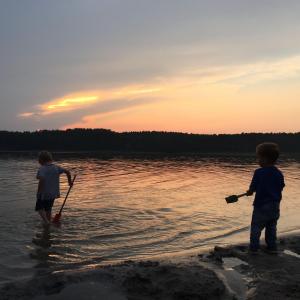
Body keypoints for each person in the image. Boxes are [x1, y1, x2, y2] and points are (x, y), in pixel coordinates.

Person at [246, 142, 285, 254]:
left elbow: (252, 188)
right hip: (275, 205)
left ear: (265, 159)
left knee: (256, 227)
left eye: (259, 158)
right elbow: (281, 186)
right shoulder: (279, 173)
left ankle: (254, 249)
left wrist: (250, 191)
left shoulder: (259, 172)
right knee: (271, 227)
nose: (258, 160)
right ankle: (272, 247)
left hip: (261, 205)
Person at [36, 151, 72, 225]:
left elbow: (42, 180)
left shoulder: (42, 169)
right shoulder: (56, 167)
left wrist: (38, 192)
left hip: (44, 193)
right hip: (53, 193)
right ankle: (48, 222)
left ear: (41, 160)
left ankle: (46, 222)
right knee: (48, 208)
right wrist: (69, 182)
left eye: (38, 159)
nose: (38, 161)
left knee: (39, 208)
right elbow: (67, 172)